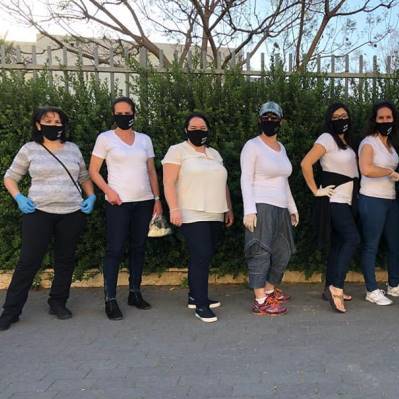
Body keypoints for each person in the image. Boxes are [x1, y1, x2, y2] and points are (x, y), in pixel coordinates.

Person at [0, 106, 96, 331]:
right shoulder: (29, 149)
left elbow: (83, 176)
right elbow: (10, 177)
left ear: (63, 125)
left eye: (57, 121)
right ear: (38, 125)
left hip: (71, 213)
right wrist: (19, 198)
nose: (54, 125)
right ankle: (11, 311)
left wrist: (91, 196)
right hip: (38, 213)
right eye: (48, 121)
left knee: (65, 260)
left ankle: (58, 302)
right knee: (28, 261)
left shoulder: (73, 149)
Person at [89, 96, 162, 321]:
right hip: (118, 203)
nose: (123, 117)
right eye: (119, 113)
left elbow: (151, 171)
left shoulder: (144, 140)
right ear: (113, 115)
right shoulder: (105, 138)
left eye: (127, 113)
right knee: (115, 249)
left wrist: (157, 199)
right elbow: (93, 171)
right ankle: (110, 299)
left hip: (144, 201)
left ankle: (134, 293)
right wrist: (108, 191)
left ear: (134, 114)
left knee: (139, 247)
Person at [162, 112, 234, 323]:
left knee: (203, 255)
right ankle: (201, 305)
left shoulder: (214, 154)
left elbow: (223, 183)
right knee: (202, 254)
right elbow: (168, 182)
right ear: (186, 130)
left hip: (215, 211)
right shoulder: (177, 150)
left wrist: (228, 208)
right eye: (193, 128)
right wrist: (173, 209)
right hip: (191, 211)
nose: (198, 131)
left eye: (202, 128)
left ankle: (194, 295)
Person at [301, 102, 360, 313]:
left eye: (344, 115)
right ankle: (337, 286)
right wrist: (316, 190)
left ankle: (329, 287)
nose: (341, 119)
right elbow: (306, 163)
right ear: (329, 120)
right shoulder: (327, 138)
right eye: (336, 117)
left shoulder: (347, 142)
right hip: (335, 200)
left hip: (348, 200)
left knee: (338, 243)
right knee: (352, 239)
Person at [240, 101, 299, 316]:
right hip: (261, 205)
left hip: (281, 207)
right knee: (260, 250)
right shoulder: (252, 146)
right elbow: (246, 179)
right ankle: (260, 300)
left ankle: (269, 289)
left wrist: (292, 207)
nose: (270, 121)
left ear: (281, 121)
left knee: (284, 251)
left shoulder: (281, 148)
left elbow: (283, 180)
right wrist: (249, 210)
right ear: (260, 120)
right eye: (266, 117)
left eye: (274, 118)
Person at [358, 100, 399, 306]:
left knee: (397, 244)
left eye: (388, 117)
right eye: (381, 118)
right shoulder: (369, 142)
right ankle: (371, 290)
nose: (385, 121)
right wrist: (388, 172)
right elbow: (366, 169)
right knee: (371, 245)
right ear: (374, 120)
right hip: (372, 199)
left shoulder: (391, 145)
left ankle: (393, 285)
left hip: (390, 200)